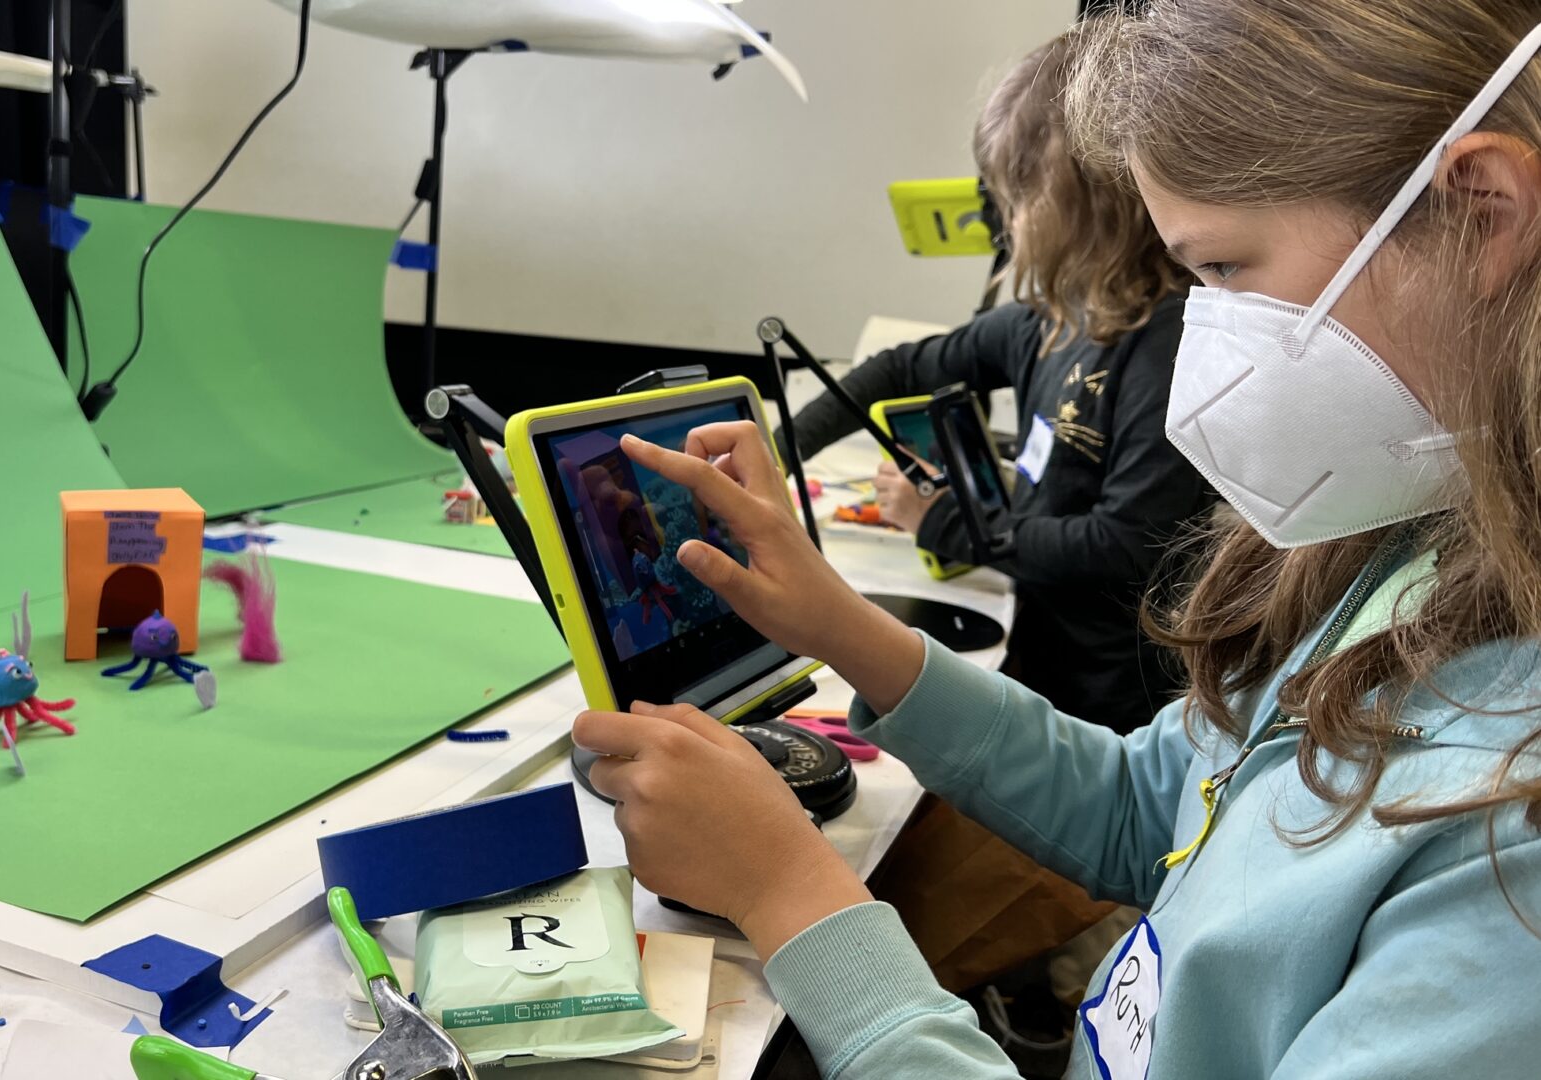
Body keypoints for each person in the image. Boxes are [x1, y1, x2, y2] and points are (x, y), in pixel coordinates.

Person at [575, 2, 1541, 1076]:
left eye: (1222, 269)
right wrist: (839, 626)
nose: (1204, 328)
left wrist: (788, 894)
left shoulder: (1510, 860)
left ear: (1481, 214)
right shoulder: (1408, 554)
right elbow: (1148, 804)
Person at [791, 34, 1211, 731]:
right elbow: (896, 369)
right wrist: (780, 452)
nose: (1005, 219)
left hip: (1116, 702)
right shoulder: (1045, 320)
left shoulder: (1169, 340)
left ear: (1086, 197)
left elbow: (1123, 546)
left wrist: (946, 524)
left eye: (1016, 193)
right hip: (1037, 651)